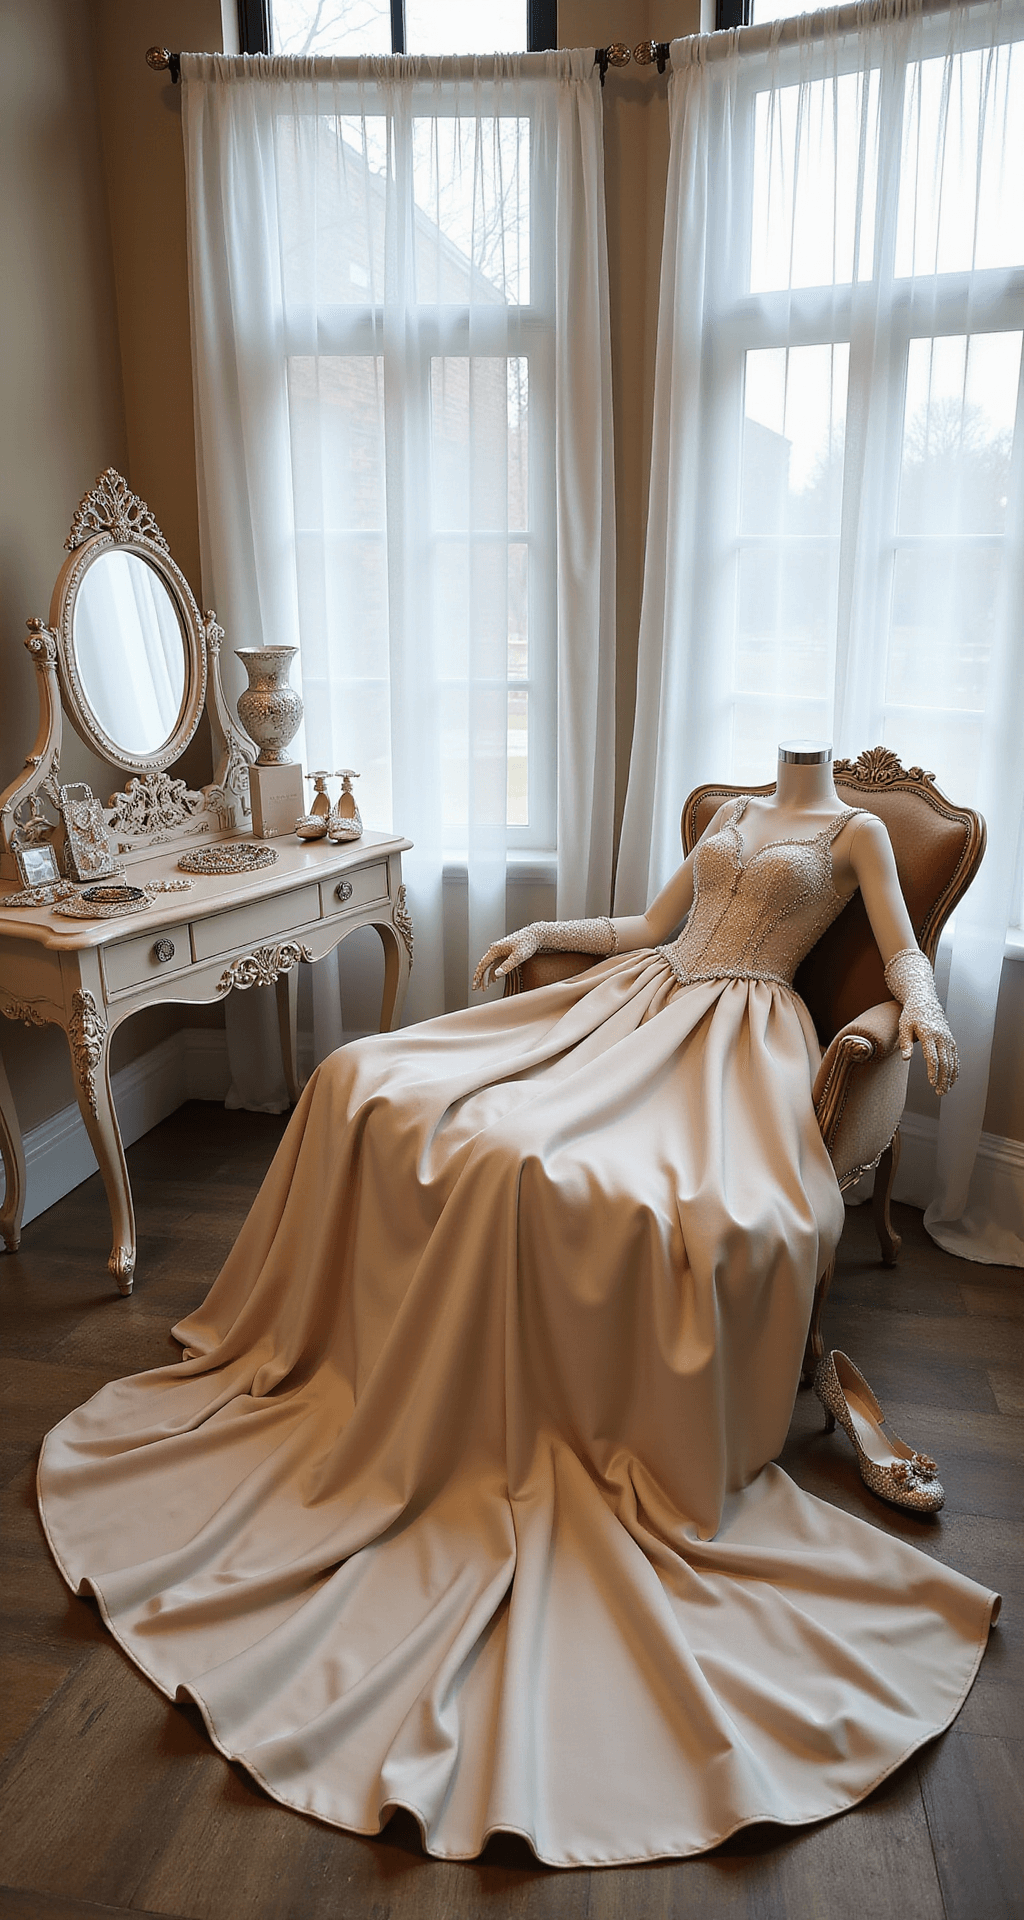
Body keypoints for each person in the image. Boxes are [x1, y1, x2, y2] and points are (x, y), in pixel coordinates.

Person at [37, 742, 998, 1868]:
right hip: (638, 996)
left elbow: (902, 953)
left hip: (738, 1036)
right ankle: (376, 1344)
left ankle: (538, 1380)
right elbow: (651, 930)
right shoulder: (732, 811)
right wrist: (547, 930)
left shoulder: (858, 831)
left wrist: (926, 1014)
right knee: (367, 1080)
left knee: (560, 1170)